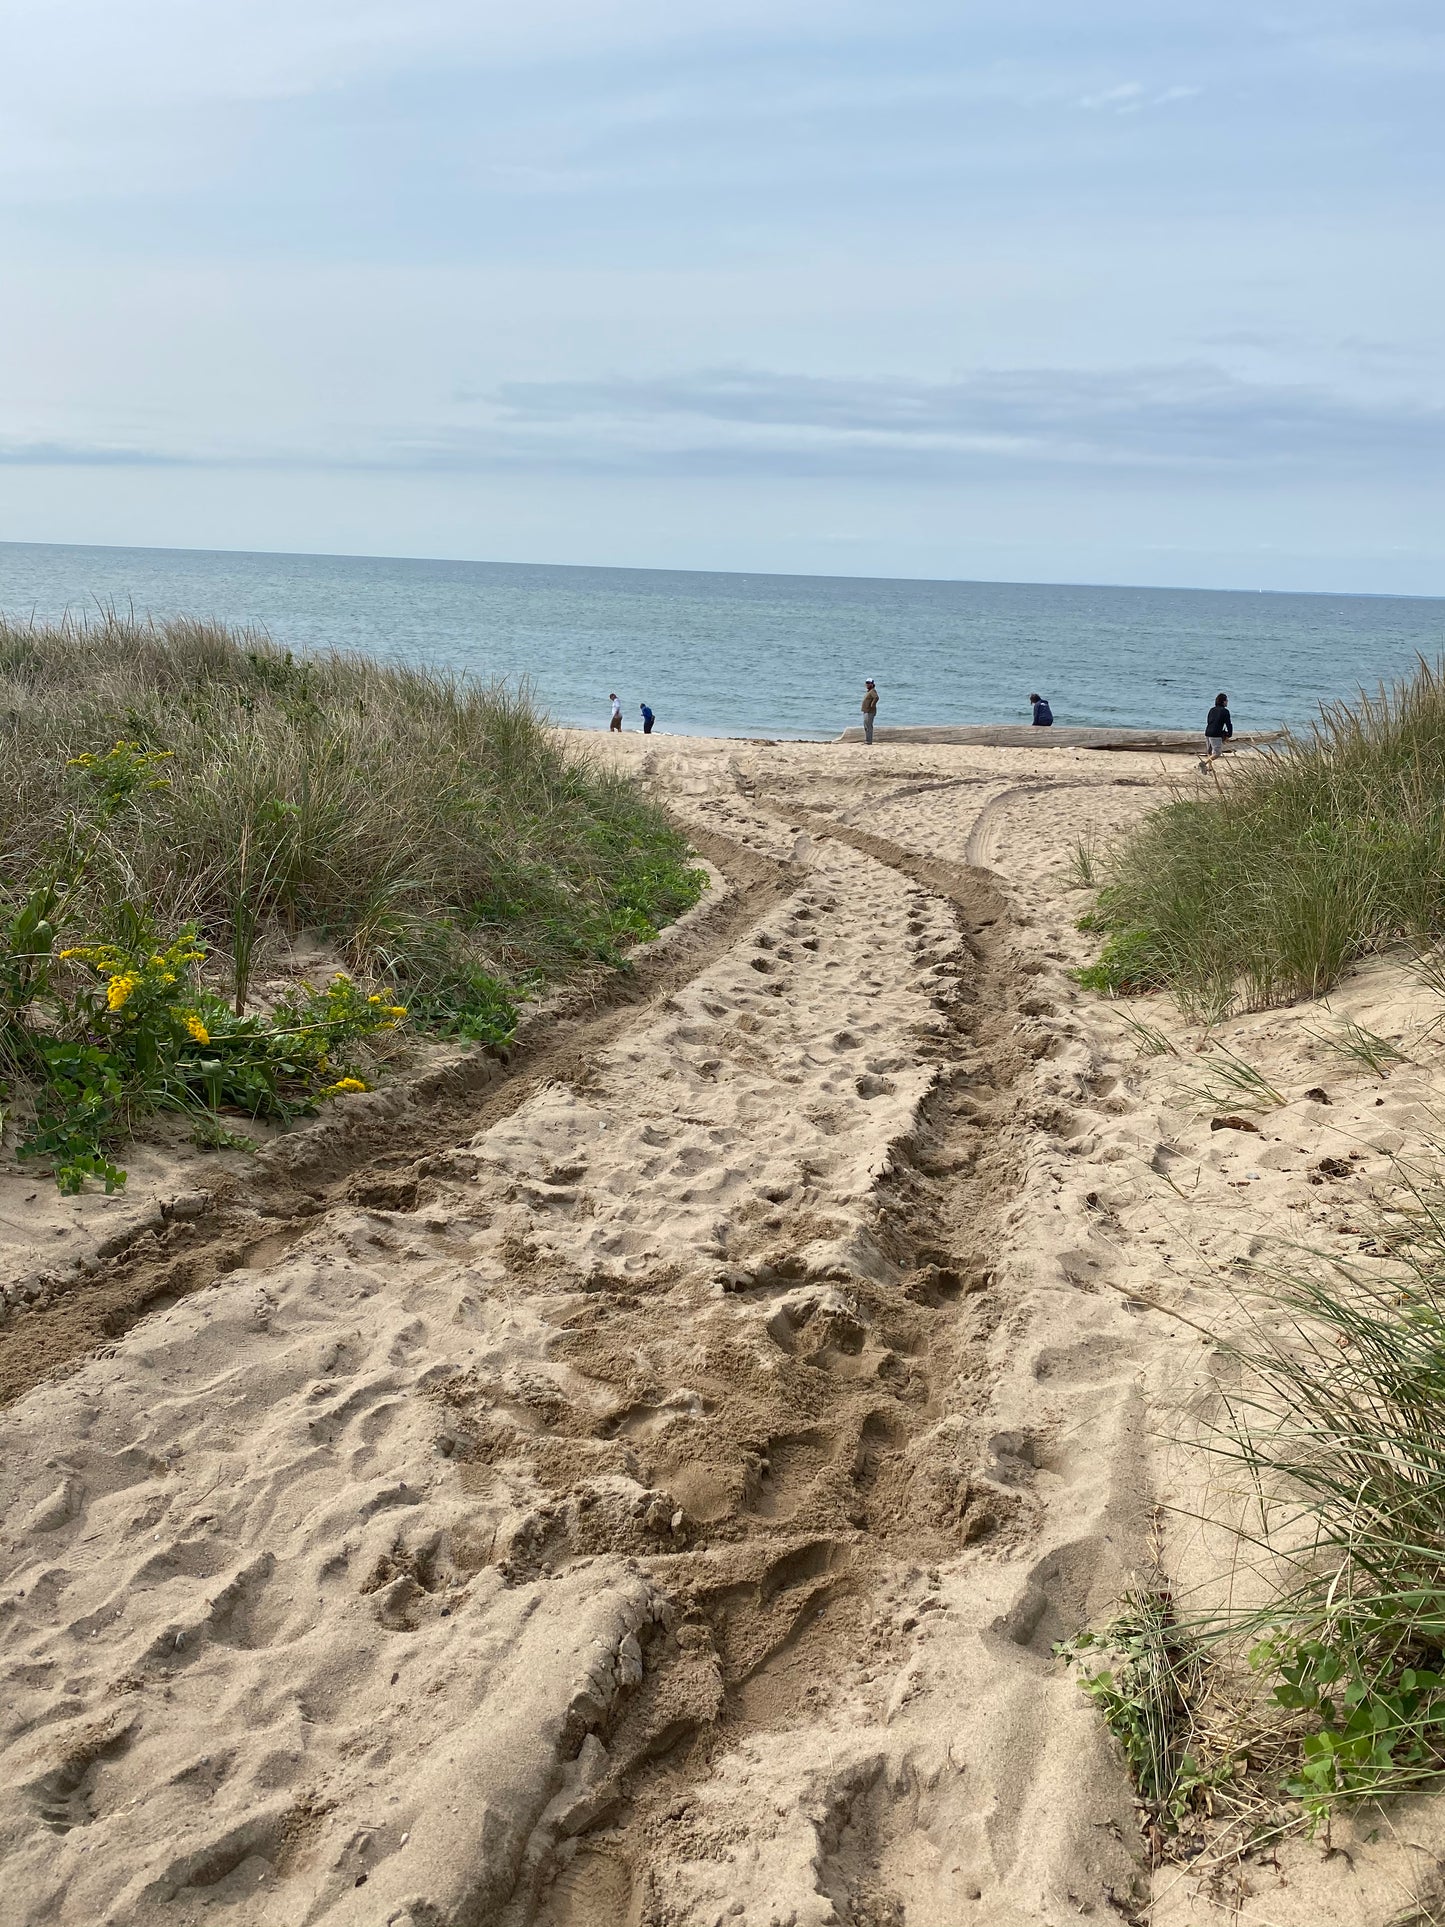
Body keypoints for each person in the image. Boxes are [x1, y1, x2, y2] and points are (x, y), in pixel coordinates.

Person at [1201, 691, 1233, 768]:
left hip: (1208, 732)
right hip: (1216, 734)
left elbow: (1209, 721)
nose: (1227, 702)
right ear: (1223, 701)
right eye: (1226, 700)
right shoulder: (1225, 711)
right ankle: (1203, 764)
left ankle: (1209, 768)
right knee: (1217, 753)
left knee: (1210, 751)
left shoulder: (1212, 710)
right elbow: (1228, 724)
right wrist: (1229, 734)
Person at [861, 678, 879, 744]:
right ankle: (867, 740)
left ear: (872, 684)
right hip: (866, 711)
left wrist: (872, 705)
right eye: (866, 683)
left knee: (868, 726)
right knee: (866, 726)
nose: (867, 684)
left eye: (869, 683)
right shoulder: (869, 691)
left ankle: (869, 741)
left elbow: (876, 697)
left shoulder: (872, 691)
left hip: (870, 712)